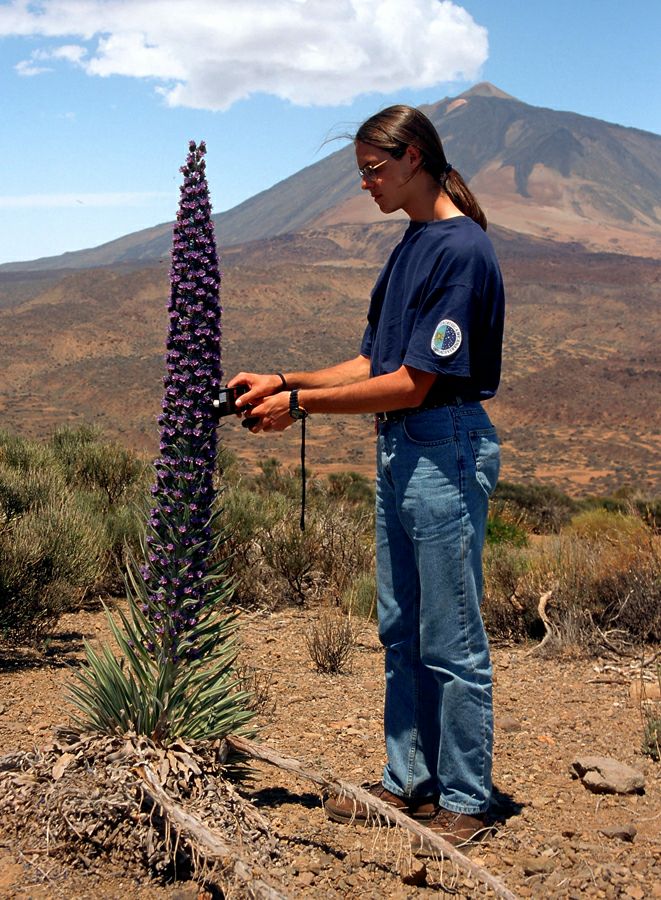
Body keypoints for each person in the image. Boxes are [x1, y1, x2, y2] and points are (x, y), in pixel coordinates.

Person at [228, 105, 505, 851]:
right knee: (399, 626)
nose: (364, 185)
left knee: (448, 636)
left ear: (412, 158)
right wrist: (283, 381)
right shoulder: (411, 246)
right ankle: (407, 782)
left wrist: (300, 407)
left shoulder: (460, 251)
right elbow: (372, 364)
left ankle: (467, 800)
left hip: (441, 446)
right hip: (403, 451)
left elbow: (415, 382)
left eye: (372, 170)